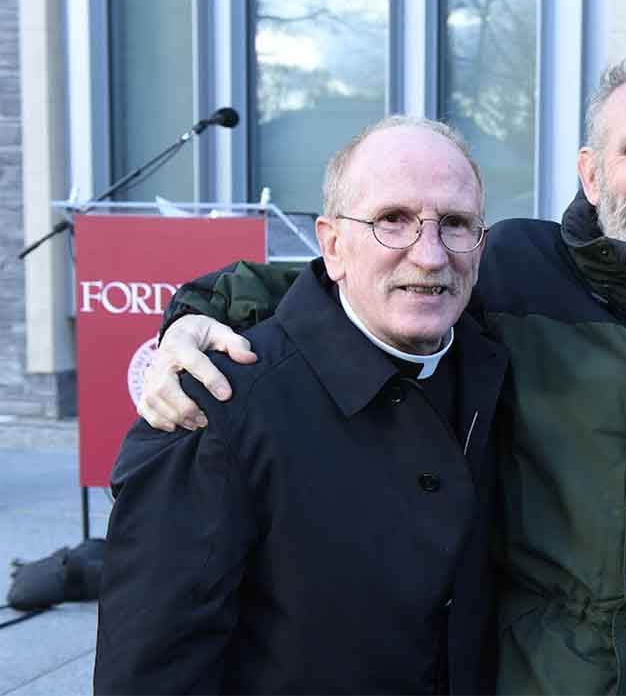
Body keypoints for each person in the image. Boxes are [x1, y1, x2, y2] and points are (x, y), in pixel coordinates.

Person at [134, 42, 626, 694]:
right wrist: (189, 319)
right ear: (591, 174)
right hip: (542, 670)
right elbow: (354, 281)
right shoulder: (511, 270)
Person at [94, 117, 508, 694]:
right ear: (333, 244)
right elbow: (152, 667)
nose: (432, 254)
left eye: (456, 223)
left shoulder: (499, 365)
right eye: (393, 220)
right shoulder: (218, 402)